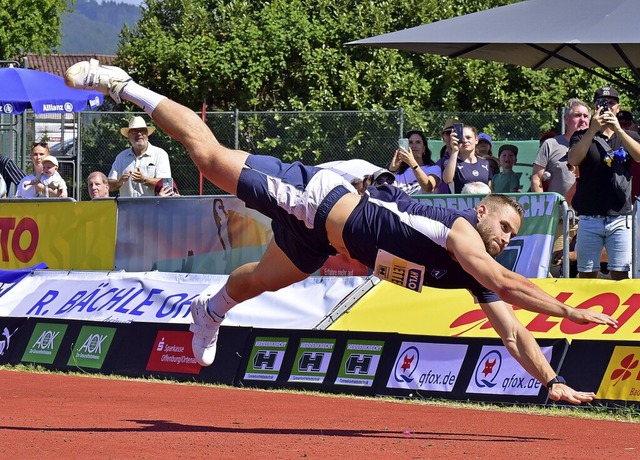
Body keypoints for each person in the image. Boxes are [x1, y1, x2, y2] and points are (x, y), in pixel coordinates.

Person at [65, 58, 618, 405]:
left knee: (259, 280)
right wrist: (571, 313)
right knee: (208, 159)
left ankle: (209, 311)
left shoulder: (474, 274)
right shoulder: (464, 235)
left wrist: (551, 381)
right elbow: (511, 282)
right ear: (481, 214)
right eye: (503, 224)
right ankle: (124, 86)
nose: (504, 236)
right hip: (319, 199)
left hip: (322, 239)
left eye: (510, 232)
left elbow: (513, 333)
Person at [568, 86, 640, 280]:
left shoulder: (630, 136)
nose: (607, 107)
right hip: (590, 216)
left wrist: (618, 129)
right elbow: (573, 160)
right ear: (594, 107)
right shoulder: (581, 136)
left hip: (620, 215)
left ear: (618, 107)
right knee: (586, 274)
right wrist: (592, 130)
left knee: (621, 273)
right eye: (602, 103)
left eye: (611, 103)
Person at [531, 99, 590, 195]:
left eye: (586, 116)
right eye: (577, 115)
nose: (582, 119)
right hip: (559, 208)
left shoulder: (595, 144)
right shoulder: (550, 144)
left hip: (590, 208)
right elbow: (536, 178)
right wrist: (545, 206)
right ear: (566, 119)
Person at [108, 116, 171, 197]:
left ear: (147, 135)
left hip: (153, 208)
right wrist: (119, 182)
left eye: (142, 131)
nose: (139, 134)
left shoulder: (160, 154)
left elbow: (166, 184)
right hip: (127, 208)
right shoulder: (121, 157)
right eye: (134, 131)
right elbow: (108, 186)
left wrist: (144, 180)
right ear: (128, 136)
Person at [442, 125, 492, 193]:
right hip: (461, 203)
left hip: (483, 203)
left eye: (468, 137)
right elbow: (447, 180)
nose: (465, 141)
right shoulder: (451, 162)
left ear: (476, 140)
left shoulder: (485, 163)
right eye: (462, 138)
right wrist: (455, 150)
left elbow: (489, 188)